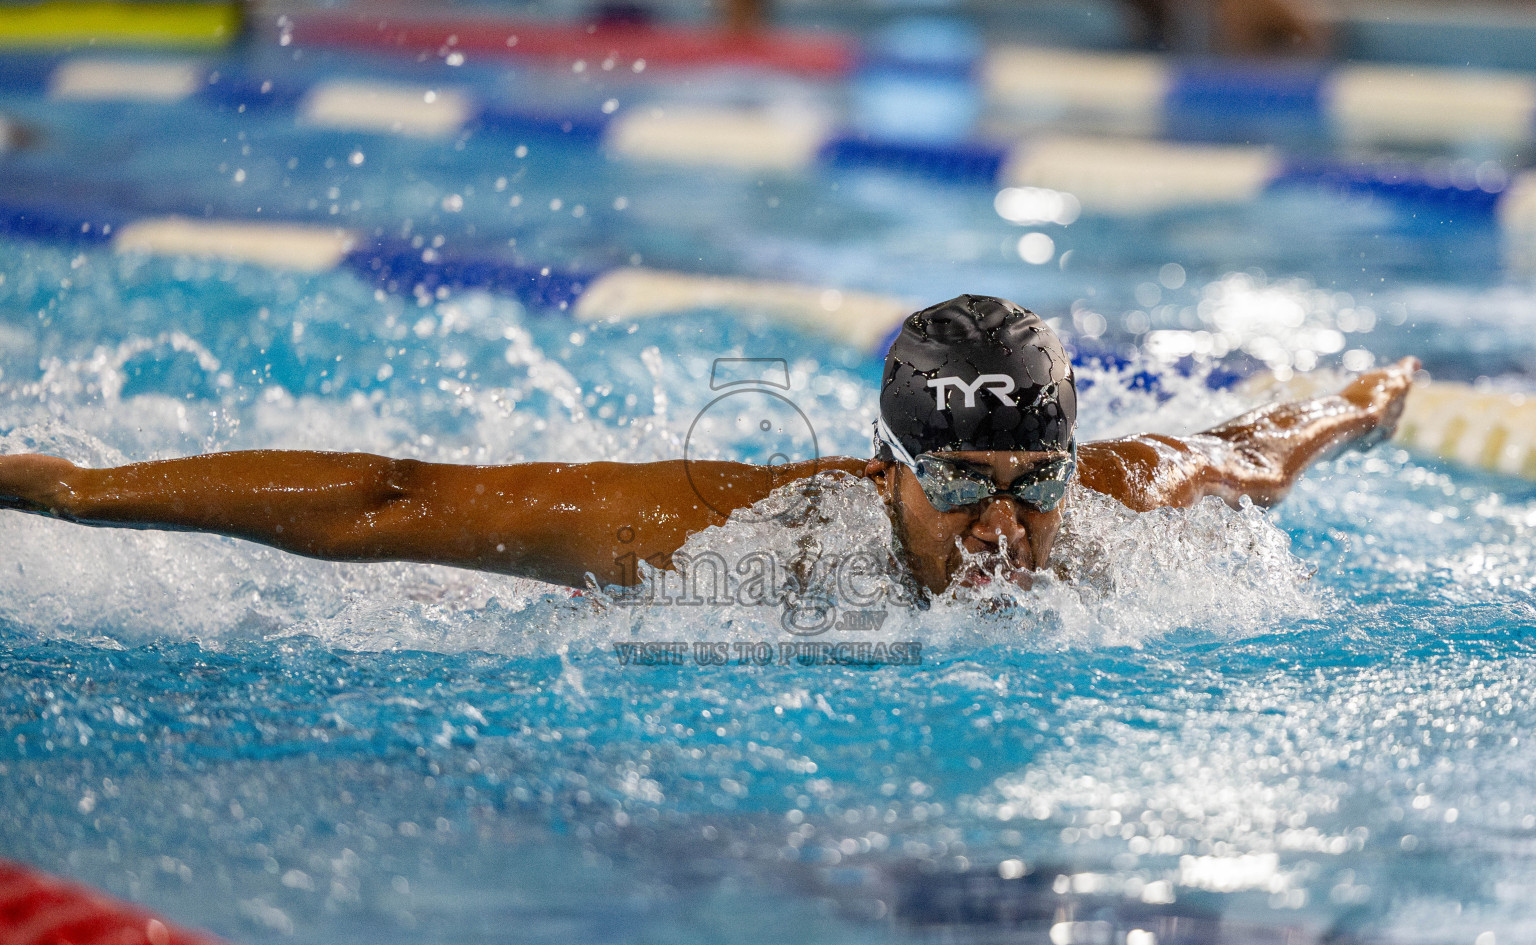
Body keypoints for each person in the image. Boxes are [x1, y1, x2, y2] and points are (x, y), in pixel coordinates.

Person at [0, 295, 1414, 596]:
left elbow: (1266, 441)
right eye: (954, 490)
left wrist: (1368, 397)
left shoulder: (1130, 504)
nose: (1004, 535)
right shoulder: (739, 539)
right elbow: (391, 501)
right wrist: (66, 490)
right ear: (881, 476)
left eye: (1031, 485)